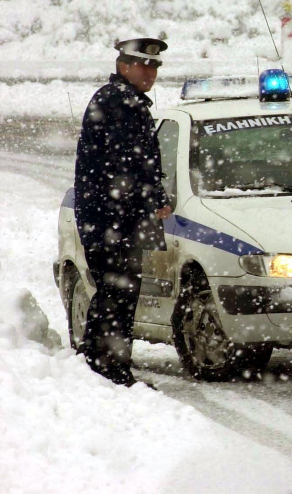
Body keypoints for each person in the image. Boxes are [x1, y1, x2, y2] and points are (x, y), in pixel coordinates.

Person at [74, 37, 172, 387]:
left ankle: (98, 368)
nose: (150, 72)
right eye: (143, 64)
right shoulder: (119, 103)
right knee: (117, 297)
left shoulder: (123, 101)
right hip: (112, 221)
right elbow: (125, 166)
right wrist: (151, 198)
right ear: (123, 66)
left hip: (113, 220)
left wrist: (153, 197)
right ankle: (110, 372)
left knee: (114, 296)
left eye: (155, 66)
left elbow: (133, 165)